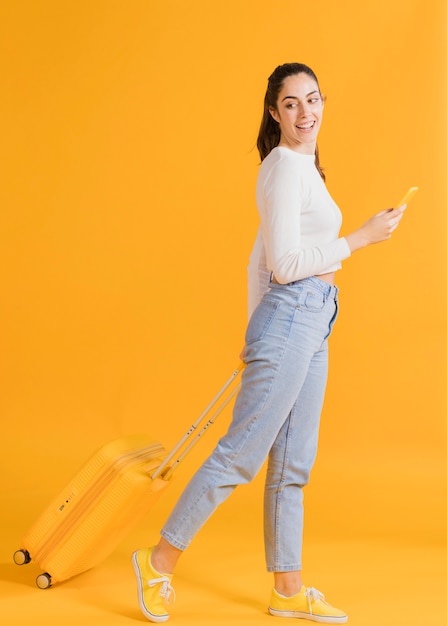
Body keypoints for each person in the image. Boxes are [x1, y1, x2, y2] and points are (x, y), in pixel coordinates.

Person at [131, 62, 406, 623]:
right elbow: (284, 267)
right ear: (274, 113)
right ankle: (156, 562)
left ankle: (288, 589)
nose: (306, 113)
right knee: (240, 455)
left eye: (313, 99)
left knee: (293, 464)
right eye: (291, 104)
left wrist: (253, 331)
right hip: (293, 317)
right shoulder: (284, 168)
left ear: (323, 101)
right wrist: (361, 239)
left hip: (311, 321)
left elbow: (258, 259)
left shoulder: (304, 169)